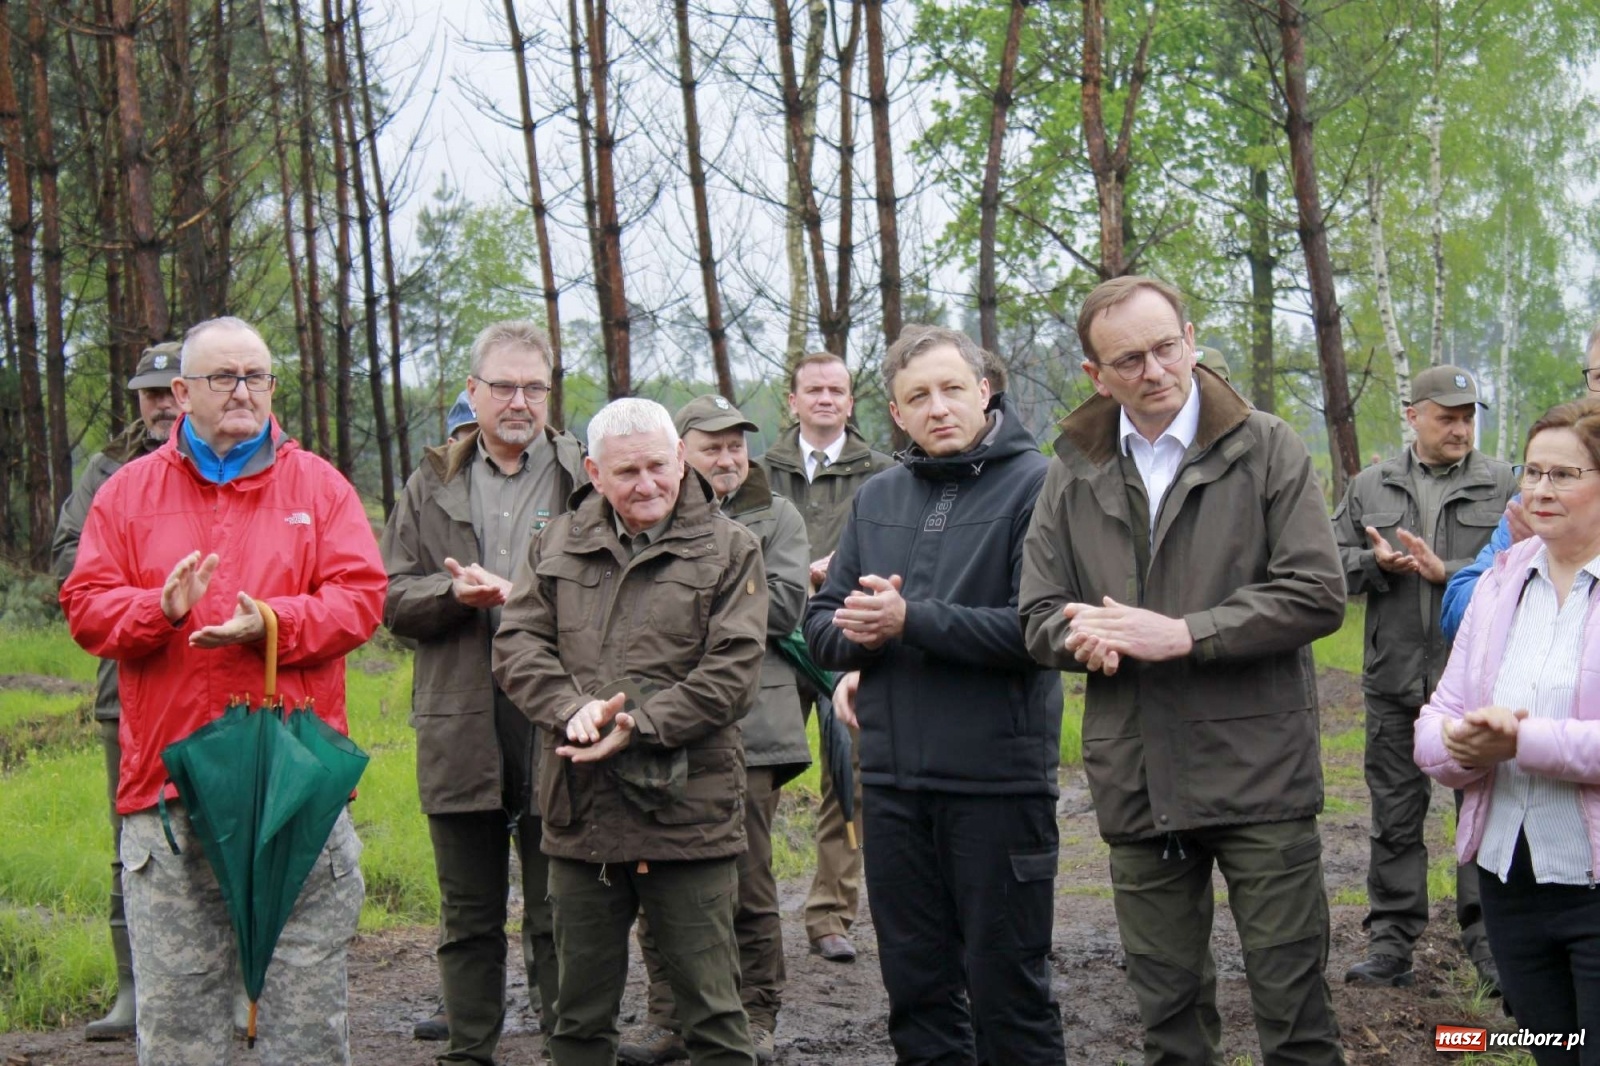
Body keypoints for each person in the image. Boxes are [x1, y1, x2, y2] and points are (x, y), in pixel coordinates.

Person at [1019, 276, 1347, 1066]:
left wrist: (1188, 634)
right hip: (1137, 774)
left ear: (1191, 338)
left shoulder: (1267, 445)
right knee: (1167, 1021)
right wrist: (1083, 640)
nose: (1155, 370)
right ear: (1096, 375)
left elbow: (1316, 593)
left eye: (1166, 347)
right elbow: (1037, 615)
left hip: (1258, 770)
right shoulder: (1071, 467)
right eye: (1128, 359)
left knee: (1294, 1009)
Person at [59, 316, 386, 1065]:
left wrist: (273, 622)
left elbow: (361, 598)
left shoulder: (320, 487)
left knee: (303, 1032)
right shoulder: (126, 494)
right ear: (181, 393)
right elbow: (85, 605)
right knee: (180, 1033)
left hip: (292, 791)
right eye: (223, 378)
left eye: (257, 377)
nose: (244, 392)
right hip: (171, 796)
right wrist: (159, 610)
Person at [804, 326, 1066, 1065]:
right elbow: (821, 632)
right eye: (918, 396)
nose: (938, 407)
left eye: (953, 389)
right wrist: (866, 630)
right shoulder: (877, 495)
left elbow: (1037, 631)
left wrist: (909, 619)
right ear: (895, 411)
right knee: (916, 994)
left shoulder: (1040, 485)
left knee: (1008, 992)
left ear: (986, 391)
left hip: (997, 784)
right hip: (890, 784)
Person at [492, 397, 767, 1066]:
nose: (646, 485)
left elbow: (733, 674)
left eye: (657, 467)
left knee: (712, 1015)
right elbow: (518, 646)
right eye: (626, 473)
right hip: (580, 812)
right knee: (578, 1018)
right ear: (592, 470)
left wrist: (640, 725)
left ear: (680, 460)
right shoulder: (554, 542)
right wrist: (567, 707)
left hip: (689, 814)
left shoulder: (733, 549)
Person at [381, 322, 583, 1064]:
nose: (519, 401)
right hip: (459, 714)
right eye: (503, 386)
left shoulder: (579, 475)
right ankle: (469, 1051)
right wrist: (451, 594)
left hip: (555, 712)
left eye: (534, 386)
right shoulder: (430, 481)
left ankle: (572, 1047)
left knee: (560, 908)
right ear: (473, 391)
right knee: (468, 913)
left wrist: (533, 597)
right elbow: (391, 597)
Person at [620, 395, 810, 1066]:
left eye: (737, 445)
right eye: (712, 446)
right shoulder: (651, 513)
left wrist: (693, 608)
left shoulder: (777, 514)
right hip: (664, 722)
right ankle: (668, 1014)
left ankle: (756, 1012)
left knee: (748, 878)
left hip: (756, 724)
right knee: (657, 868)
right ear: (682, 455)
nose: (728, 458)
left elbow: (785, 605)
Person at [1415, 398, 1600, 1066]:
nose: (1541, 490)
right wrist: (1463, 745)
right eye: (1532, 471)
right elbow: (1437, 716)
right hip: (1510, 880)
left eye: (1565, 474)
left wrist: (1522, 743)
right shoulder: (1498, 584)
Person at [1334, 365, 1516, 992]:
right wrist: (1372, 562)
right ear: (1413, 415)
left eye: (1469, 415)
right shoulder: (1369, 485)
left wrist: (1451, 572)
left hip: (1477, 687)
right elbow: (1326, 563)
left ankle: (1493, 951)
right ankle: (1390, 945)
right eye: (1448, 415)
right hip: (1394, 682)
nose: (1461, 426)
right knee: (1394, 816)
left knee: (1485, 817)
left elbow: (1530, 566)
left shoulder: (1506, 485)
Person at [49, 340, 181, 1041]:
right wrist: (150, 579)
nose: (160, 404)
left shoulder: (236, 460)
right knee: (131, 840)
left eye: (171, 389)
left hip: (225, 682)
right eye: (148, 392)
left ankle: (230, 984)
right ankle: (135, 989)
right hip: (125, 685)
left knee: (225, 830)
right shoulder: (106, 469)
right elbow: (70, 557)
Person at [758, 352, 892, 963]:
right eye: (812, 390)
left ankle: (830, 913)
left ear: (850, 399)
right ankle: (747, 911)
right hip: (777, 644)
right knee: (759, 770)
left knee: (851, 779)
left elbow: (898, 550)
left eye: (836, 389)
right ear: (792, 400)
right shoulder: (760, 472)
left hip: (849, 639)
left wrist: (841, 571)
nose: (825, 399)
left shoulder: (884, 473)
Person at [1441, 324, 1600, 639]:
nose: (1545, 487)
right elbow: (1456, 615)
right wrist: (1521, 559)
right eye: (1599, 378)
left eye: (1564, 475)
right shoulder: (1539, 503)